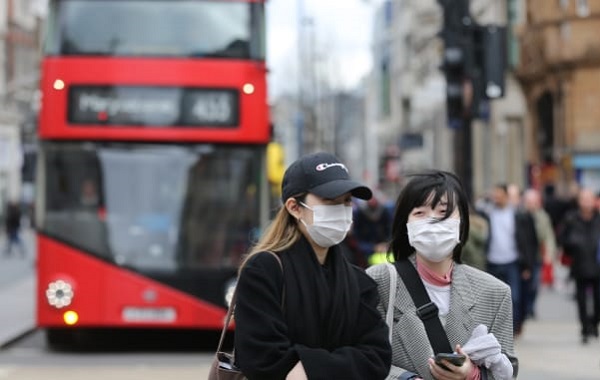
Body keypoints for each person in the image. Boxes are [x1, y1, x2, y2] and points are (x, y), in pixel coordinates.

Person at [233, 152, 392, 380]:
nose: (342, 209)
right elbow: (262, 359)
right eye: (331, 201)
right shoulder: (264, 270)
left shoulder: (359, 282)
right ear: (294, 207)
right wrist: (342, 364)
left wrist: (308, 368)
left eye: (347, 201)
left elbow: (377, 358)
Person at [367, 171, 516, 380]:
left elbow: (508, 370)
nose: (433, 222)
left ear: (462, 221)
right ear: (406, 224)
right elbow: (362, 358)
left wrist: (472, 374)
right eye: (420, 213)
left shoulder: (494, 293)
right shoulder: (378, 282)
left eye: (443, 212)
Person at [480, 184, 538, 336]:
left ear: (506, 196)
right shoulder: (487, 214)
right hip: (492, 261)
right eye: (494, 195)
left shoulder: (519, 216)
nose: (496, 198)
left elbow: (529, 242)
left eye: (499, 195)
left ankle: (512, 328)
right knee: (492, 298)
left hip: (512, 261)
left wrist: (528, 265)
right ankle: (496, 329)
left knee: (515, 297)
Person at [558, 188, 600, 344]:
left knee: (598, 298)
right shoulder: (571, 218)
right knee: (581, 299)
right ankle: (584, 328)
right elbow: (562, 238)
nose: (587, 203)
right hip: (580, 264)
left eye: (589, 199)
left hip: (597, 265)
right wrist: (572, 245)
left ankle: (594, 323)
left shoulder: (598, 218)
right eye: (583, 199)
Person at [352, 191, 392, 265]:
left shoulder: (385, 211)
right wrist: (372, 247)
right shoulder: (359, 213)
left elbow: (390, 231)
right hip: (366, 251)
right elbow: (357, 239)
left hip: (385, 248)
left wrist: (386, 245)